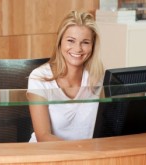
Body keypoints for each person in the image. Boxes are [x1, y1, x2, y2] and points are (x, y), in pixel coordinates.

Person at [27, 10, 104, 142]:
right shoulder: (38, 77)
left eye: (85, 42)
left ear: (93, 46)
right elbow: (43, 136)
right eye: (71, 41)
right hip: (49, 154)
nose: (78, 48)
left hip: (87, 155)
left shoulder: (97, 76)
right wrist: (79, 154)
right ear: (60, 42)